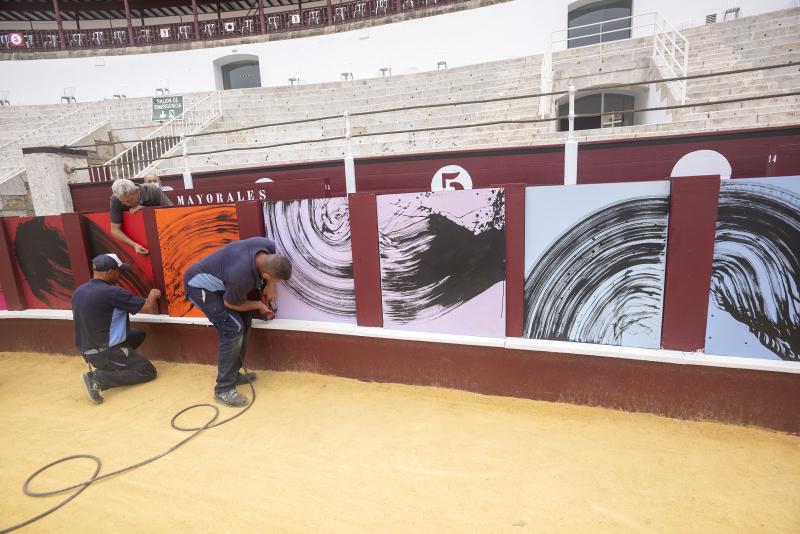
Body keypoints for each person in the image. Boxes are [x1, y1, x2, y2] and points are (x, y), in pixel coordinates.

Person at [183, 237, 292, 408]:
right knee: (233, 328)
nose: (276, 283)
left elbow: (271, 266)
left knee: (245, 318)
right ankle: (224, 389)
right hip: (199, 287)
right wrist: (258, 305)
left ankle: (233, 374)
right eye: (275, 280)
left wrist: (270, 285)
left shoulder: (266, 245)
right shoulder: (241, 277)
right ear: (266, 275)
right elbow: (230, 303)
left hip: (222, 283)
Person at [72, 253, 162, 404]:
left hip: (88, 350)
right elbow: (148, 307)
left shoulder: (79, 291)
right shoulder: (112, 292)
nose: (120, 275)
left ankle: (115, 364)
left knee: (137, 334)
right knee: (147, 371)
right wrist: (153, 295)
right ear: (110, 272)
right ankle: (98, 379)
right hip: (104, 352)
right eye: (119, 271)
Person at [109, 178, 173, 255]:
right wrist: (134, 245)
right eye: (122, 202)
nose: (127, 204)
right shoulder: (115, 199)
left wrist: (148, 211)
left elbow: (171, 214)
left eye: (129, 200)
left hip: (164, 238)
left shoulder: (152, 190)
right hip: (139, 241)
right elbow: (115, 230)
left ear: (136, 190)